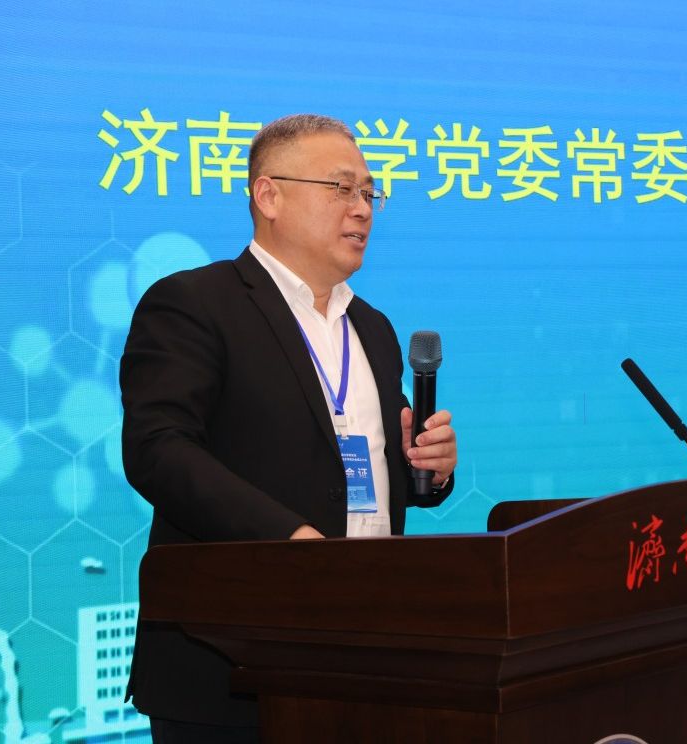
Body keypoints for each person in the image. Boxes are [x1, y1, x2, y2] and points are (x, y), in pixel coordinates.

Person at [119, 113, 457, 743]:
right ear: (268, 195)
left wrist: (428, 470)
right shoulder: (196, 304)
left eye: (370, 192)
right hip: (233, 665)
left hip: (372, 656)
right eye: (341, 188)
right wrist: (289, 538)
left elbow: (361, 473)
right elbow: (158, 450)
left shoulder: (374, 328)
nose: (362, 208)